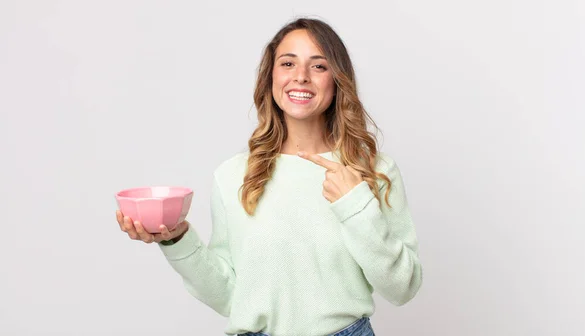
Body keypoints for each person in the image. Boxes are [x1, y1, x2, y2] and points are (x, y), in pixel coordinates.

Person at [116, 17, 422, 336]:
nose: (300, 77)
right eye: (288, 63)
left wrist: (356, 205)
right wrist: (176, 238)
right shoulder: (234, 175)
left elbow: (403, 288)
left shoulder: (373, 172)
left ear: (337, 79)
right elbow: (231, 297)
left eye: (319, 66)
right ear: (271, 76)